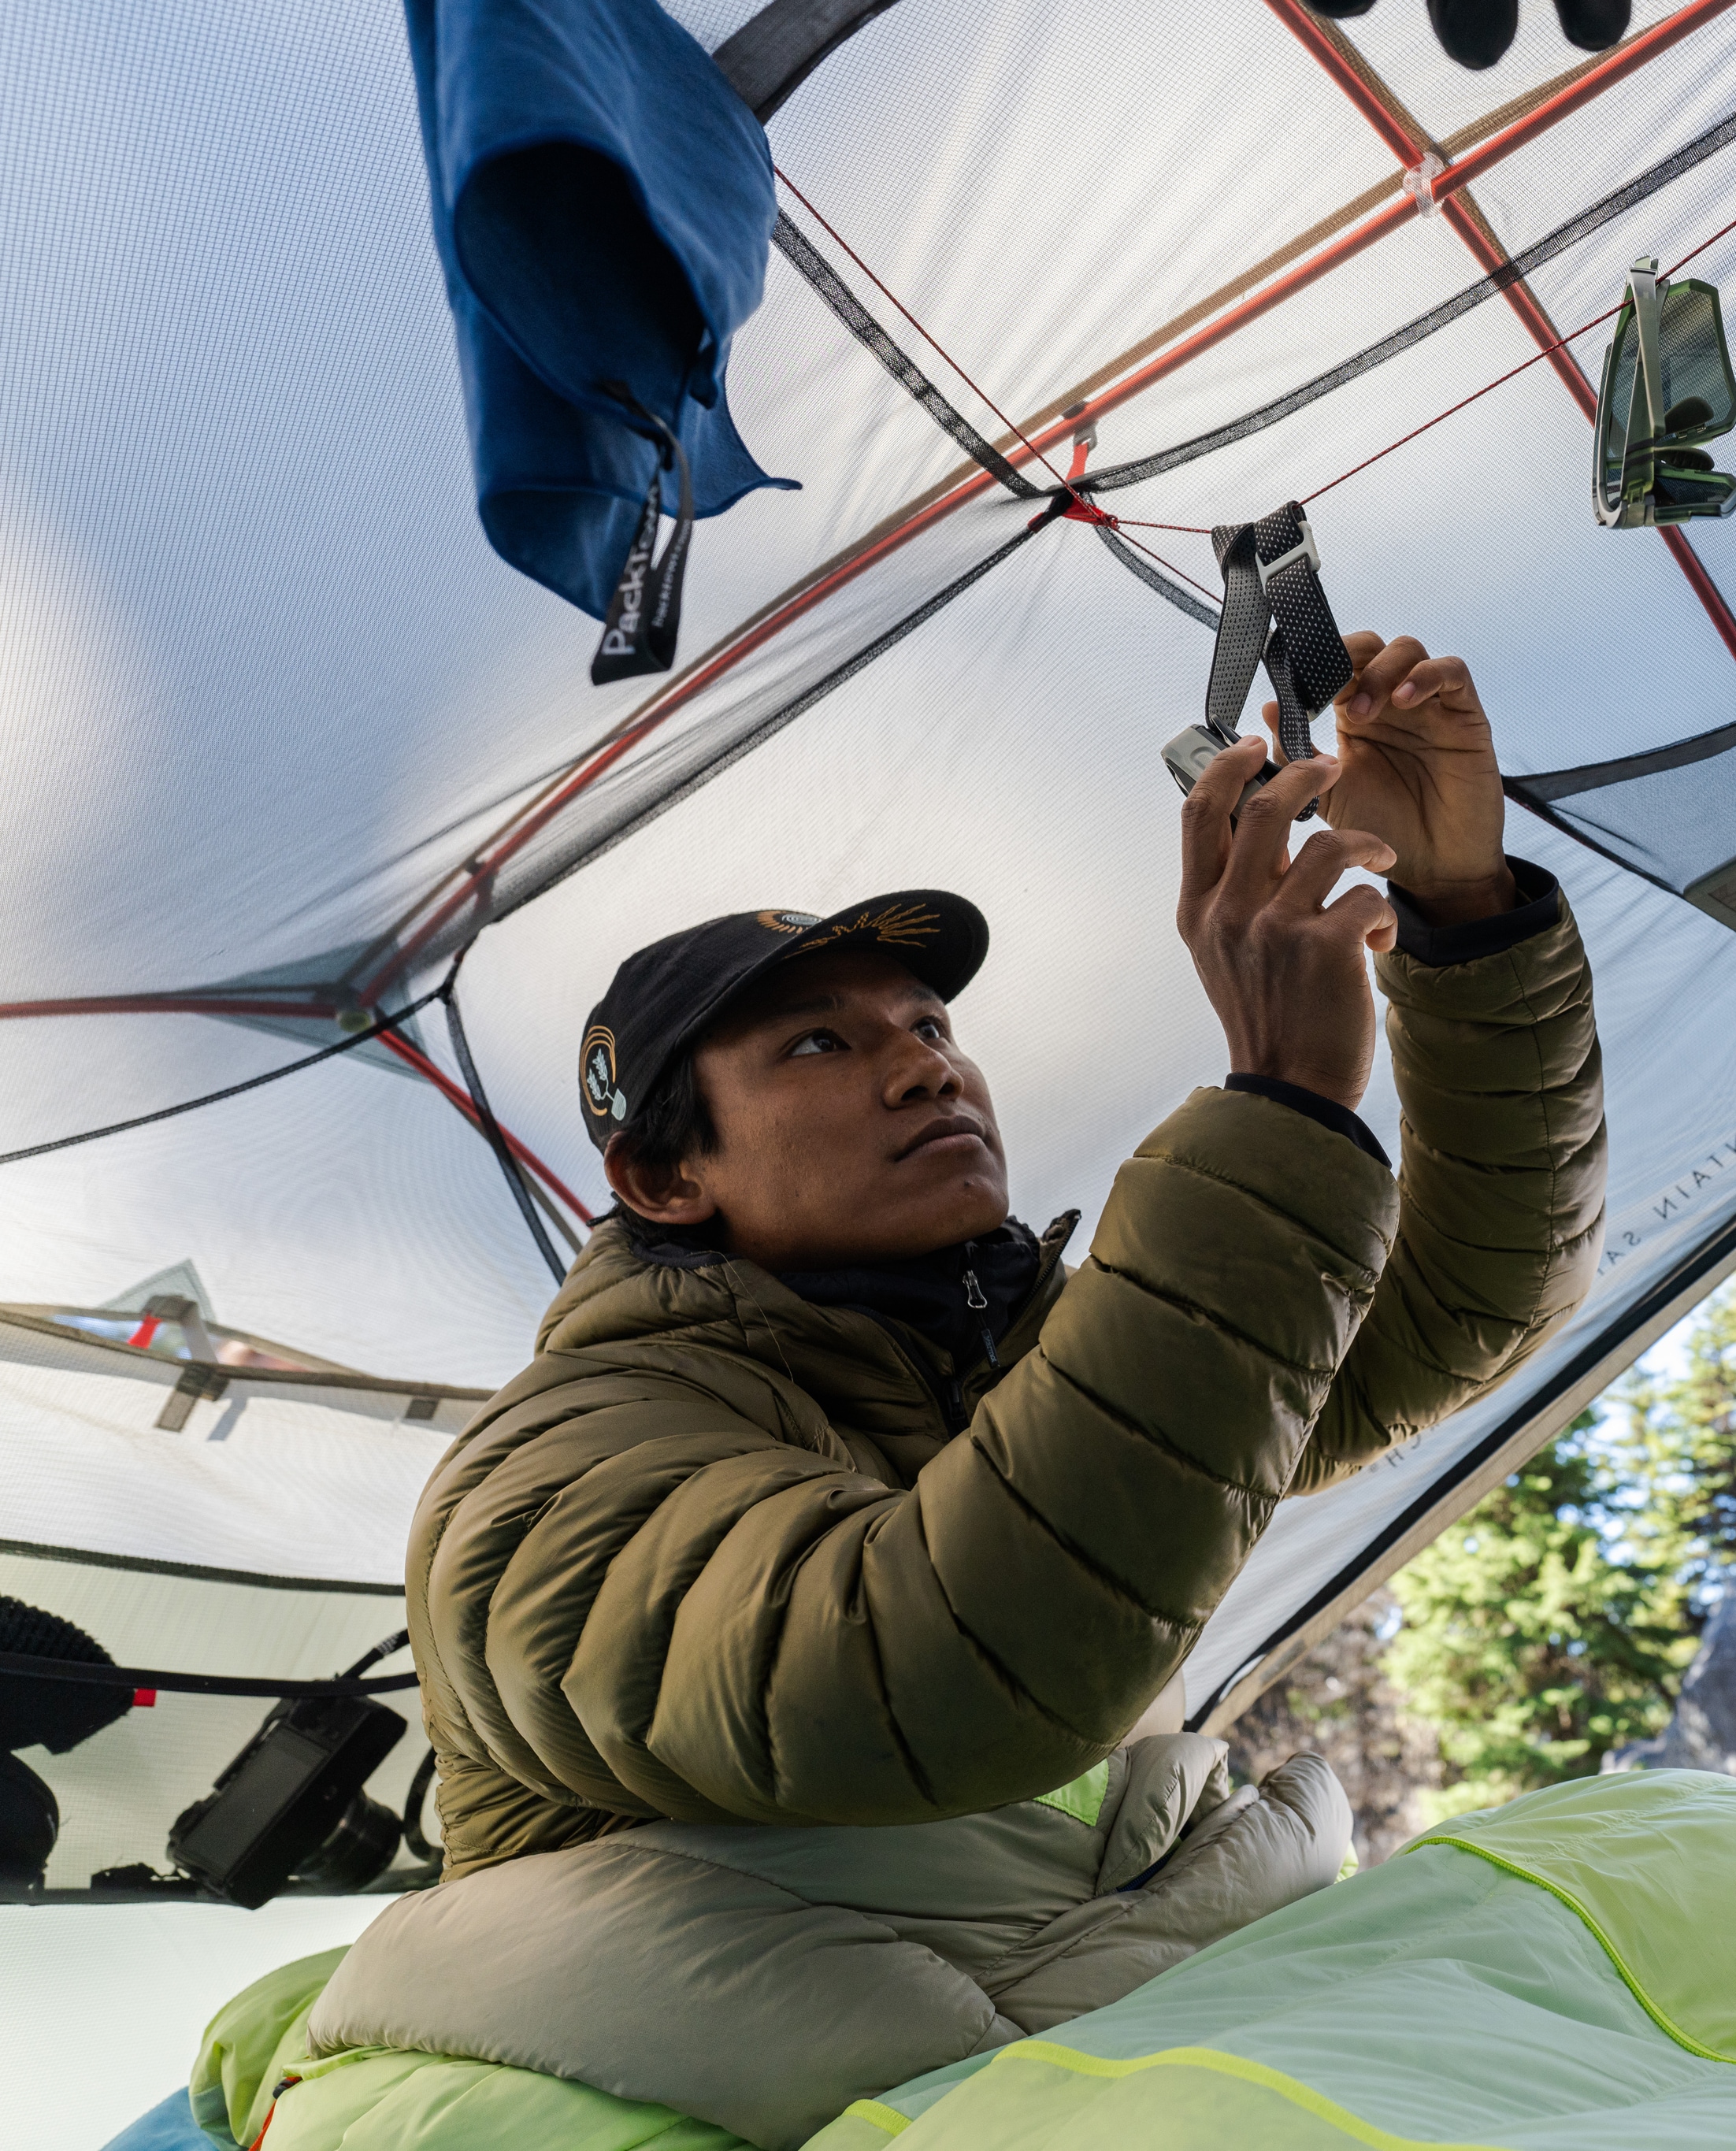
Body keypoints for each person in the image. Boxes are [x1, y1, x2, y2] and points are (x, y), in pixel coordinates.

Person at [259, 636, 1606, 2149]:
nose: (923, 1070)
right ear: (661, 1175)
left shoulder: (1056, 1370)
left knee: (1678, 1862)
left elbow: (1470, 1305)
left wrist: (1463, 911)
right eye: (822, 1044)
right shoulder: (554, 1468)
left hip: (1063, 2007)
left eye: (931, 1027)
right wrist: (1276, 1113)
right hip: (706, 2068)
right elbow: (931, 1670)